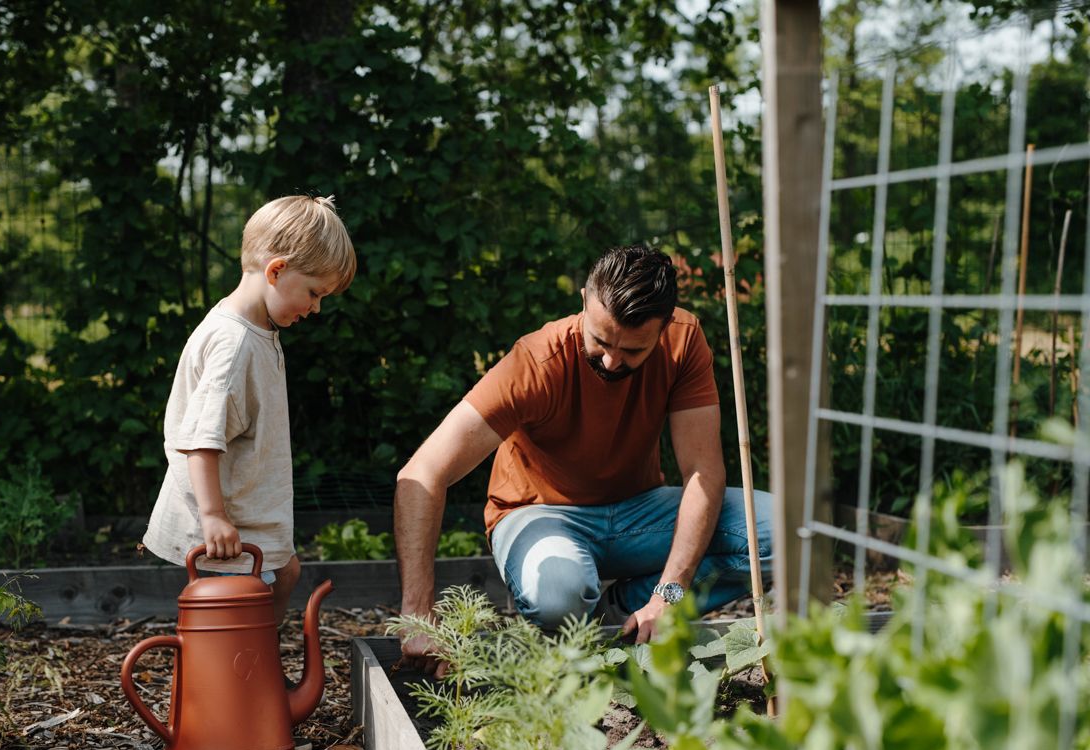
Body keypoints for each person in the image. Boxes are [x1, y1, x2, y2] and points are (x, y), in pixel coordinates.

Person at [394, 245, 772, 666]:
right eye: (601, 341)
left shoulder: (684, 341)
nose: (611, 361)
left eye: (632, 351)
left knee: (782, 532)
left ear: (663, 328)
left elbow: (703, 472)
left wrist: (669, 591)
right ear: (584, 301)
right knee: (558, 594)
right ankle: (580, 624)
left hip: (638, 513)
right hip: (539, 513)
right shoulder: (536, 362)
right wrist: (417, 614)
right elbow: (423, 472)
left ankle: (626, 610)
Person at [143, 195, 356, 621]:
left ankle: (255, 662)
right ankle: (239, 676)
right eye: (315, 293)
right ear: (276, 270)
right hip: (226, 522)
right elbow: (201, 440)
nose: (316, 308)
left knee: (287, 572)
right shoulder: (234, 343)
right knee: (231, 613)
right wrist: (214, 518)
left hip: (244, 510)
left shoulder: (256, 330)